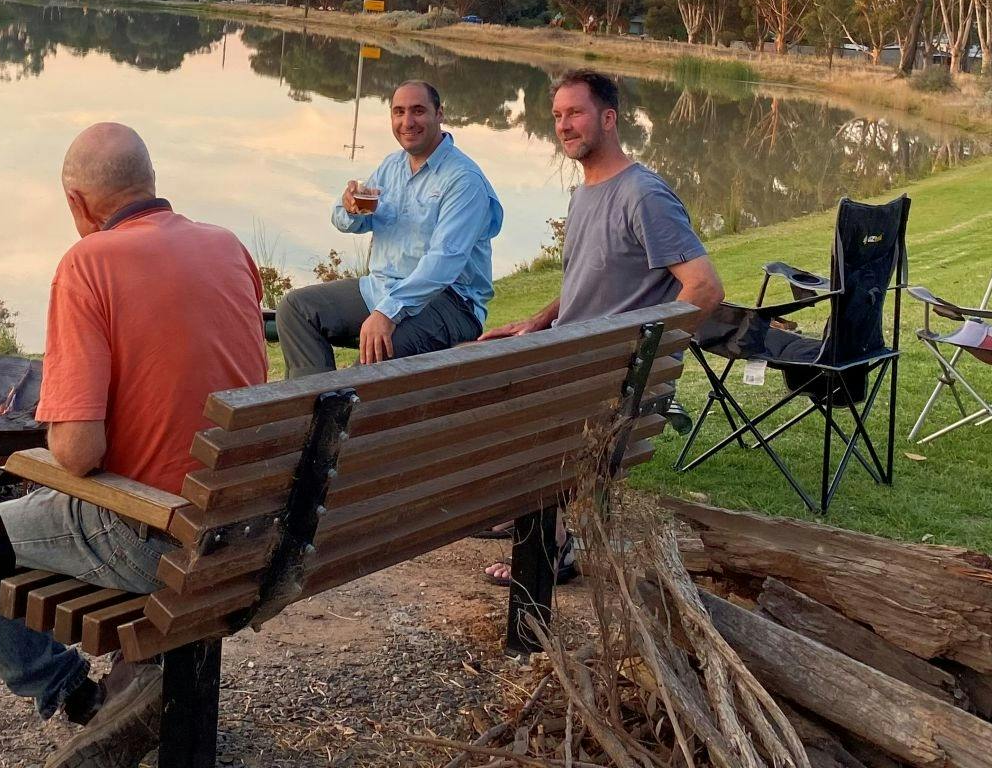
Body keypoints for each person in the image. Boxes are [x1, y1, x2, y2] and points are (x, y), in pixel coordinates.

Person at [0, 123, 266, 768]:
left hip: (155, 537)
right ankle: (149, 677)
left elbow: (77, 453)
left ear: (78, 203)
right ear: (150, 183)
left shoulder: (88, 263)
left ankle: (75, 696)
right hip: (250, 527)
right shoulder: (227, 246)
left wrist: (44, 450)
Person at [476, 68, 724, 585]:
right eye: (558, 116)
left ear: (609, 119)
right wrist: (538, 320)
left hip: (602, 372)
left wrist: (644, 356)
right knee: (469, 356)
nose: (564, 126)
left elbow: (703, 289)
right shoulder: (586, 192)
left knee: (502, 393)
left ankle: (555, 541)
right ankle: (525, 510)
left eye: (576, 113)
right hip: (574, 354)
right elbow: (594, 275)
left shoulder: (642, 194)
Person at [276, 80, 501, 377]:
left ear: (440, 114)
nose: (407, 121)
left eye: (418, 111)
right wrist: (349, 208)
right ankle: (315, 403)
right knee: (296, 309)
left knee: (378, 352)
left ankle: (335, 411)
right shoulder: (391, 167)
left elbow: (444, 262)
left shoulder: (464, 180)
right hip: (382, 288)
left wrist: (387, 312)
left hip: (451, 302)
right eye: (399, 112)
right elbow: (349, 220)